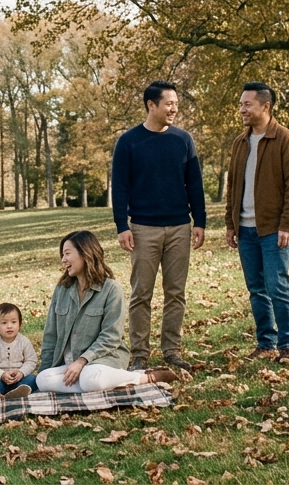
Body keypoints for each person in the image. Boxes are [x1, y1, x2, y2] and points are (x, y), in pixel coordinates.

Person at [110, 80, 208, 371]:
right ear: (151, 105)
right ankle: (140, 353)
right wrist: (122, 225)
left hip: (179, 227)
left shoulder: (183, 140)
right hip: (143, 229)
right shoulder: (129, 141)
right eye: (169, 103)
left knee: (176, 293)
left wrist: (200, 221)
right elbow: (120, 187)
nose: (174, 108)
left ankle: (172, 350)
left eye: (176, 103)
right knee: (141, 294)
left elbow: (195, 184)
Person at [31, 230, 178, 393]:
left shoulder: (111, 289)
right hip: (71, 364)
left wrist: (82, 361)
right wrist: (44, 371)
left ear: (85, 253)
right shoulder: (62, 289)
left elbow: (111, 336)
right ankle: (97, 384)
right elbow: (50, 335)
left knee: (91, 379)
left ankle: (145, 378)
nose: (63, 260)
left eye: (67, 253)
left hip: (104, 359)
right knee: (42, 380)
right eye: (62, 255)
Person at [225, 82, 289, 364]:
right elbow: (232, 186)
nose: (242, 109)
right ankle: (266, 343)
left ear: (265, 106)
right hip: (245, 230)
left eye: (247, 104)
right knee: (256, 290)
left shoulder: (286, 140)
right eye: (241, 104)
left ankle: (288, 344)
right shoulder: (240, 143)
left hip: (274, 230)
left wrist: (288, 224)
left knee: (277, 286)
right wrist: (230, 224)